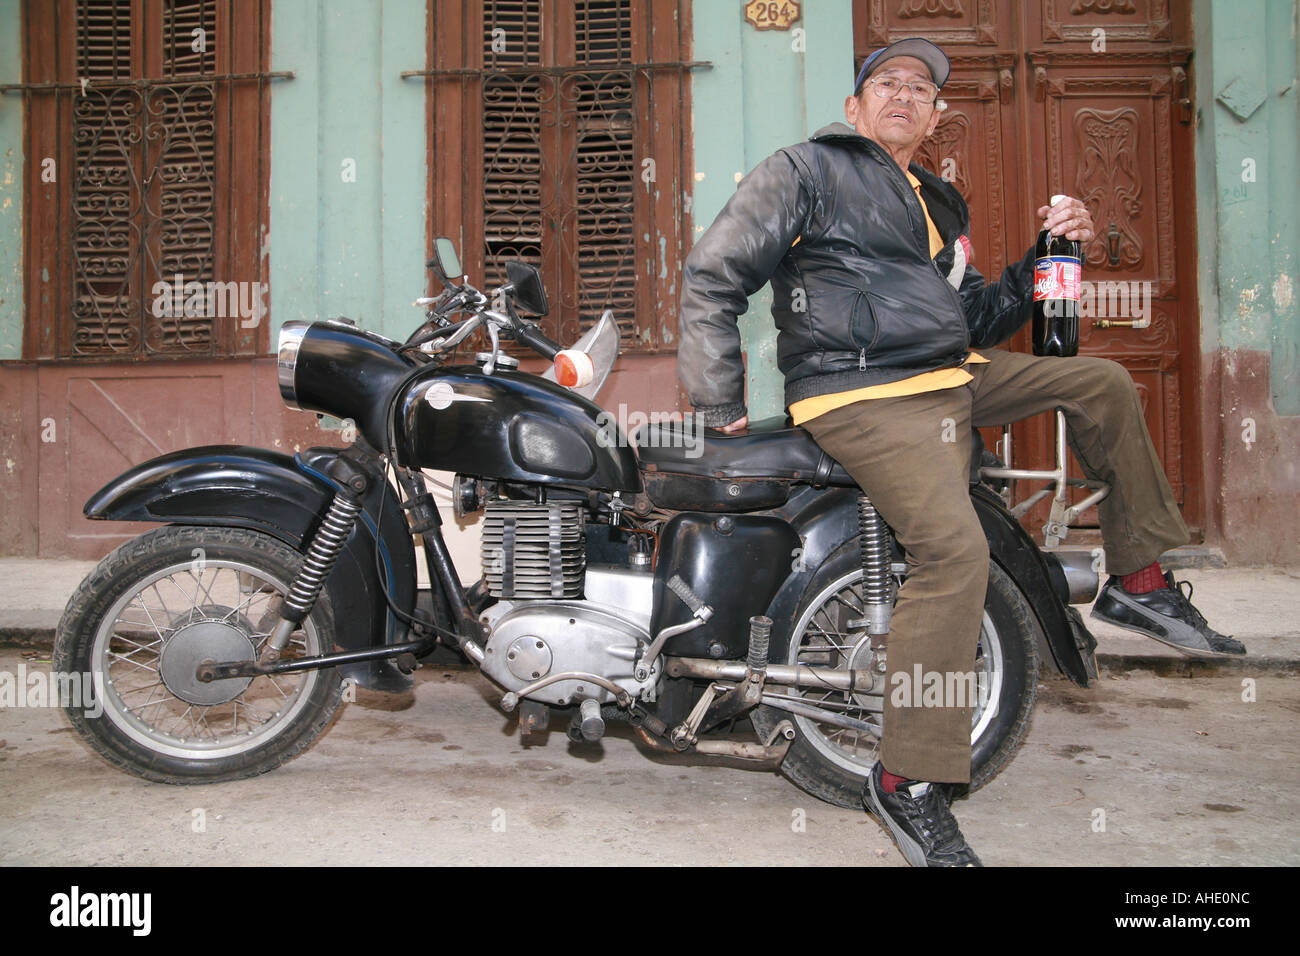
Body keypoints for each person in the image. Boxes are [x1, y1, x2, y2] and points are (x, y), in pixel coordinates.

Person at [676, 37, 1243, 867]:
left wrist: (1051, 256)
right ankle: (906, 779)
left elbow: (972, 319)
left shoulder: (937, 205)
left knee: (1103, 383)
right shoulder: (806, 170)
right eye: (886, 83)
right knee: (952, 552)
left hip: (952, 373)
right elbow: (713, 274)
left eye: (922, 89)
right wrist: (718, 398)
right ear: (855, 108)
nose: (905, 95)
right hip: (861, 389)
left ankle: (1140, 581)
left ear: (938, 118)